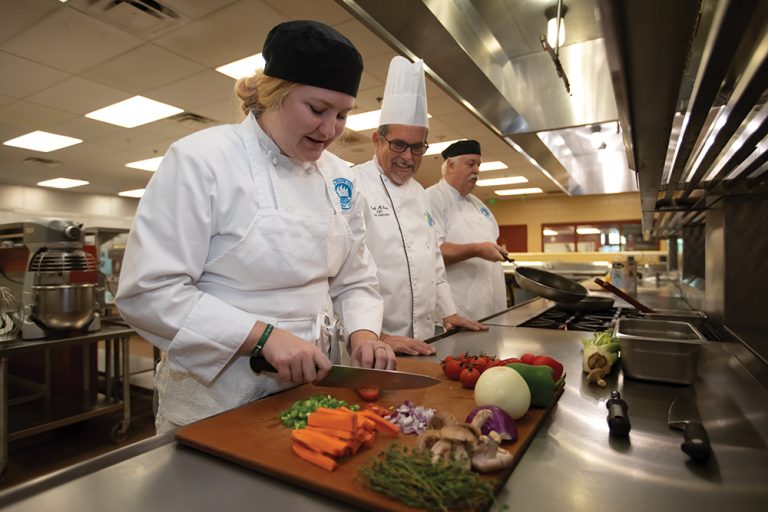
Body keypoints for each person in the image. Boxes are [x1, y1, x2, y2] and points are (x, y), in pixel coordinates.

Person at [115, 20, 395, 433]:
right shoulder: (202, 159)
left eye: (342, 114)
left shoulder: (340, 178)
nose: (331, 130)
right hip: (215, 400)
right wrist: (263, 336)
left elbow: (354, 278)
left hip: (311, 391)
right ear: (272, 94)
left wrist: (365, 334)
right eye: (317, 110)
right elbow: (150, 292)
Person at [354, 57, 487, 356]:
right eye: (399, 145)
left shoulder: (419, 193)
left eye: (418, 147)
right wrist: (377, 336)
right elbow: (340, 278)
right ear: (377, 141)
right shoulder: (352, 186)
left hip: (425, 341)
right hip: (374, 345)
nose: (409, 157)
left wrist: (448, 312)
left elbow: (433, 265)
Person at [426, 140, 507, 321]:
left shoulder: (479, 206)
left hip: (490, 307)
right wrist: (477, 250)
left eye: (478, 165)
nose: (477, 170)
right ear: (451, 166)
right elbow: (430, 252)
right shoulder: (431, 199)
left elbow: (491, 240)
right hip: (455, 310)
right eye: (471, 164)